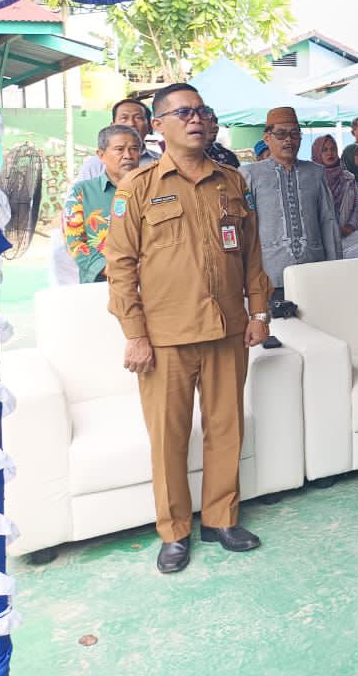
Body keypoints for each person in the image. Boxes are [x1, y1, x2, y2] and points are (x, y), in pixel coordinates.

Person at [105, 84, 271, 574]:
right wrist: (134, 334)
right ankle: (174, 531)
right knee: (169, 437)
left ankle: (221, 517)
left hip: (227, 329)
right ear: (157, 126)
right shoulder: (138, 187)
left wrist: (259, 313)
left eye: (201, 111)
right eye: (182, 113)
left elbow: (253, 255)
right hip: (165, 337)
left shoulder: (232, 182)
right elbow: (121, 266)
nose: (195, 120)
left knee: (226, 427)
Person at [240, 107, 343, 299]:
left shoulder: (315, 172)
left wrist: (335, 268)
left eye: (295, 134)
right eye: (281, 134)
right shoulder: (250, 175)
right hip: (270, 277)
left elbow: (328, 222)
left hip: (314, 273)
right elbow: (245, 229)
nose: (288, 139)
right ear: (267, 138)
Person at [63, 124, 142, 283]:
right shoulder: (81, 192)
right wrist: (111, 269)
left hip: (153, 283)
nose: (128, 155)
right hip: (100, 284)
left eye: (134, 149)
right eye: (119, 149)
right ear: (101, 155)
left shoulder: (154, 189)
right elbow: (75, 242)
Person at [76, 98, 158, 180]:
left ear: (150, 127)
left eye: (138, 118)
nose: (131, 123)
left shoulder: (160, 161)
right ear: (113, 126)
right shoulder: (94, 165)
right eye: (124, 118)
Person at [311, 135, 358, 239]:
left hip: (348, 234)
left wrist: (350, 227)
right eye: (324, 150)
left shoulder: (349, 178)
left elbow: (356, 206)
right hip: (320, 237)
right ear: (317, 153)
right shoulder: (311, 180)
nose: (330, 153)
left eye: (333, 149)